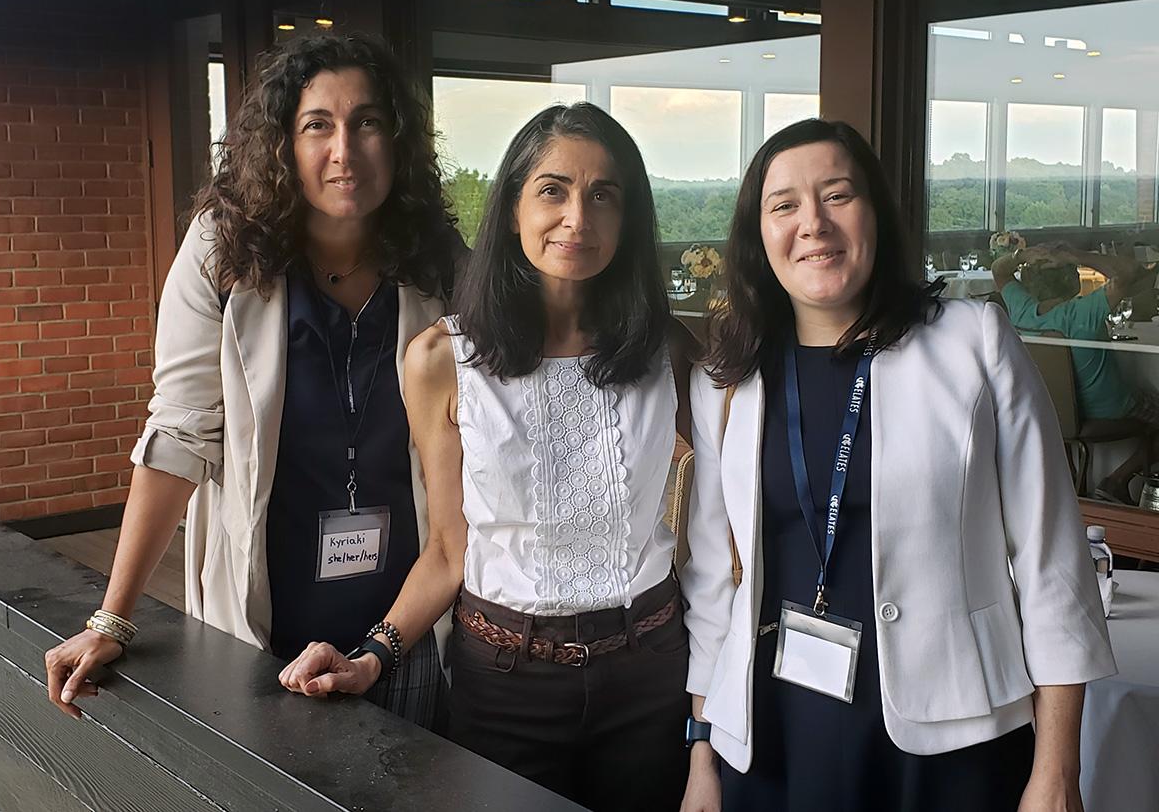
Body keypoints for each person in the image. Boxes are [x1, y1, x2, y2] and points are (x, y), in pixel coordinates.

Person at [678, 119, 1115, 812]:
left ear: (876, 212)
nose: (813, 223)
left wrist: (1058, 770)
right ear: (757, 236)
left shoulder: (972, 343)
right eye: (784, 205)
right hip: (770, 733)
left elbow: (1052, 561)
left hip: (954, 735)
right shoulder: (725, 379)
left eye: (838, 195)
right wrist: (703, 746)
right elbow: (710, 584)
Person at [277, 103, 695, 812]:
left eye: (604, 195)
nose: (577, 218)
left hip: (649, 672)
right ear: (511, 210)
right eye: (553, 190)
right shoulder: (445, 360)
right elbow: (448, 548)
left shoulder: (670, 354)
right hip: (504, 681)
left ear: (629, 219)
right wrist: (372, 655)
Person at [43, 33, 463, 729]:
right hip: (266, 624)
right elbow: (178, 436)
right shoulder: (223, 251)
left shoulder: (435, 262)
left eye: (368, 122)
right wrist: (112, 618)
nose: (344, 150)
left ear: (398, 141)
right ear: (281, 145)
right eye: (316, 125)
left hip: (403, 628)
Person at [993, 244, 1159, 502]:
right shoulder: (1083, 312)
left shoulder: (1020, 308)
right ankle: (1117, 480)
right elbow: (1130, 272)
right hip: (1106, 409)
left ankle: (1069, 477)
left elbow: (999, 270)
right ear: (1073, 281)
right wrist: (1077, 254)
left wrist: (1022, 255)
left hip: (1051, 412)